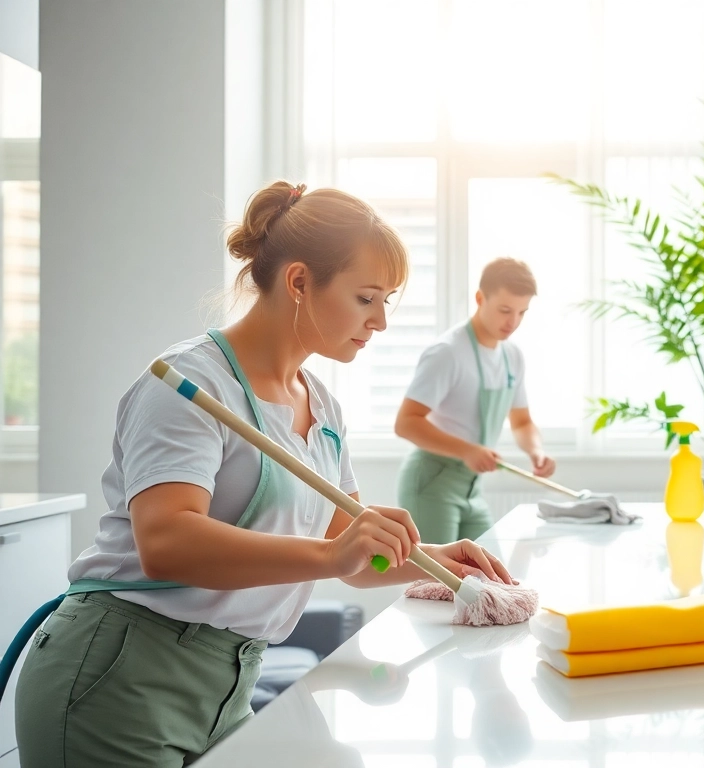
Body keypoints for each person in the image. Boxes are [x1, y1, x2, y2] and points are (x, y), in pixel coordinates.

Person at [14, 181, 514, 767]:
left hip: (229, 682)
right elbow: (167, 543)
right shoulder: (189, 385)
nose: (380, 321)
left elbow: (341, 544)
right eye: (367, 298)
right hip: (119, 677)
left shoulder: (320, 406)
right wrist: (333, 558)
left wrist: (434, 558)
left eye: (388, 300)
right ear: (299, 282)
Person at [395, 257, 555, 543]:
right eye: (505, 310)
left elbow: (522, 422)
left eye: (522, 312)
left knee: (490, 581)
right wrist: (467, 450)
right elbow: (406, 423)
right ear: (480, 298)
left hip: (472, 489)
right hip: (432, 483)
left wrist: (536, 452)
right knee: (433, 586)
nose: (513, 322)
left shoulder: (512, 357)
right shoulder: (448, 353)